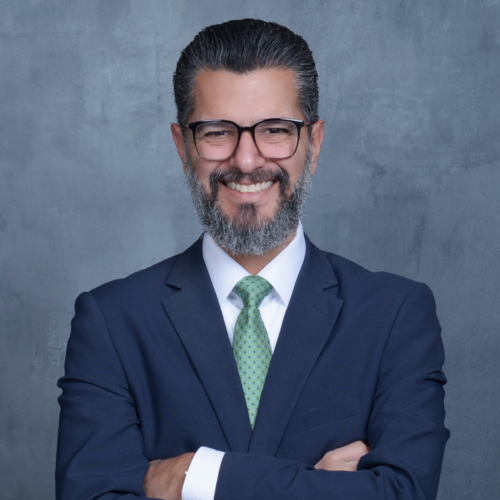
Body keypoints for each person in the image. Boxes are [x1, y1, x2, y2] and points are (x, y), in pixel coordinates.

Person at [56, 19, 449, 500]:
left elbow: (401, 493)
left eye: (275, 130)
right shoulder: (112, 322)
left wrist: (195, 477)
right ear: (182, 146)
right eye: (217, 132)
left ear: (314, 143)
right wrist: (321, 485)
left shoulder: (394, 315)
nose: (246, 161)